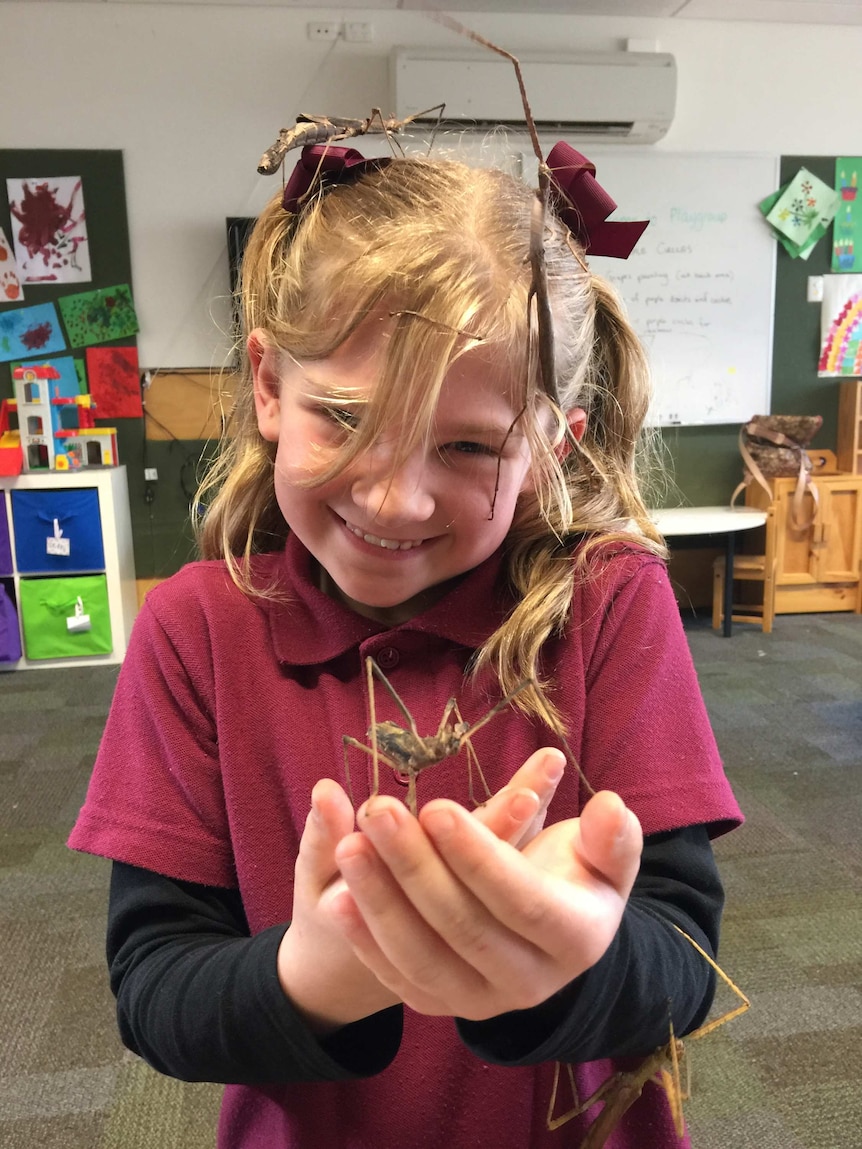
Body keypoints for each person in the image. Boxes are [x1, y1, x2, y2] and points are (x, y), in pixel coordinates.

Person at [69, 136, 743, 1149]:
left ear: (552, 441)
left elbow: (685, 963)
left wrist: (566, 962)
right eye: (343, 419)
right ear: (266, 387)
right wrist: (318, 973)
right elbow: (156, 988)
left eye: (468, 445)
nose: (393, 498)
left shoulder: (609, 604)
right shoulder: (195, 630)